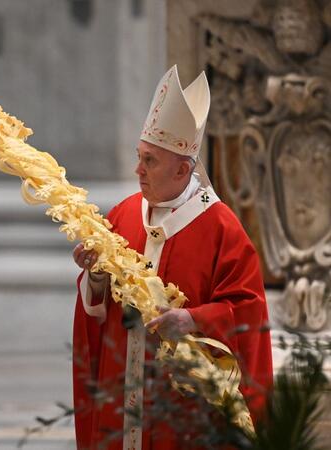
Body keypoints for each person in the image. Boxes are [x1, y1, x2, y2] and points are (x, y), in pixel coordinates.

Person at [71, 65, 273, 449]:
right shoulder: (124, 214)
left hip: (181, 406)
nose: (138, 170)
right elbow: (98, 310)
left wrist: (193, 319)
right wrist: (94, 277)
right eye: (139, 156)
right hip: (122, 388)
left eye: (150, 161)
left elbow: (247, 312)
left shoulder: (221, 227)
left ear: (183, 169)